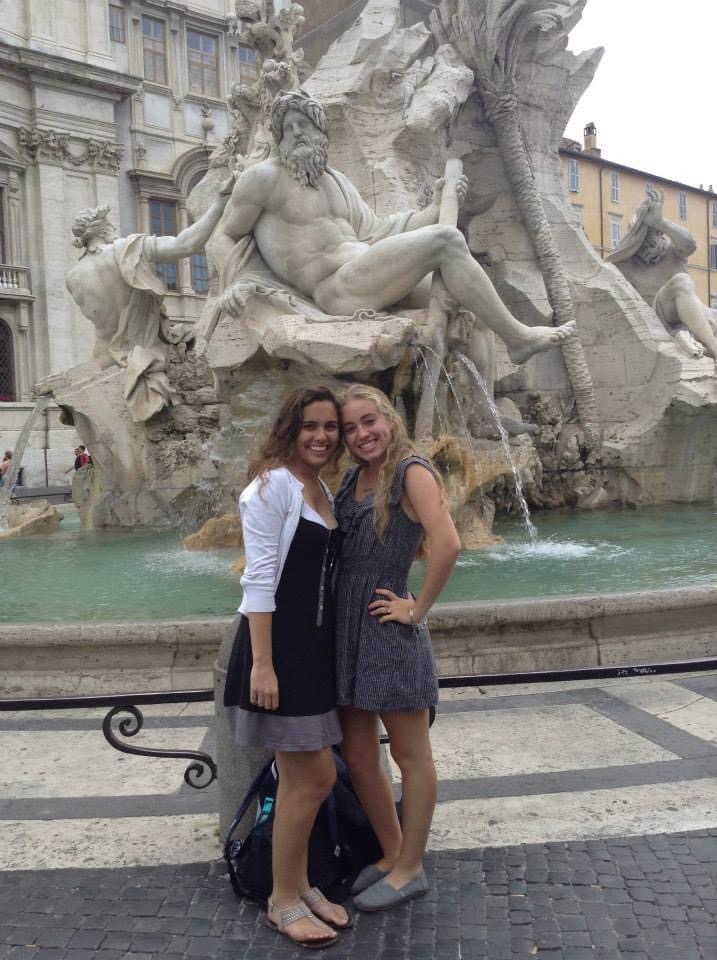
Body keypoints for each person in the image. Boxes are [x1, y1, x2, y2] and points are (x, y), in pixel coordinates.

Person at [210, 91, 576, 368]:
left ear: (320, 131)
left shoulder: (337, 182)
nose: (295, 134)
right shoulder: (263, 179)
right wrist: (235, 283)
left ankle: (485, 418)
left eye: (302, 125)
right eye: (287, 129)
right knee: (447, 239)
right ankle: (518, 337)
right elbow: (224, 234)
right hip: (335, 290)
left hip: (366, 273)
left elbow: (379, 232)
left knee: (474, 312)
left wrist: (435, 208)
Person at [223, 385, 351, 948]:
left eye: (330, 427)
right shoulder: (272, 486)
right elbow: (257, 576)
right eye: (310, 426)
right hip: (278, 650)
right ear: (290, 430)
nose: (321, 436)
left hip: (310, 649)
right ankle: (281, 900)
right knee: (314, 776)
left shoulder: (319, 486)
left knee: (304, 778)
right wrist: (263, 664)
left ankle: (300, 885)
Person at [333, 384, 461, 911]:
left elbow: (448, 543)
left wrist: (416, 609)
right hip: (347, 631)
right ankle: (391, 852)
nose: (362, 434)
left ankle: (411, 866)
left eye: (369, 421)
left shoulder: (411, 471)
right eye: (350, 427)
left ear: (388, 418)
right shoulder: (351, 478)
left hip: (388, 631)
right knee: (359, 752)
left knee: (411, 756)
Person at [66, 173, 236, 422]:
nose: (114, 228)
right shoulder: (128, 249)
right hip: (144, 358)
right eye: (109, 224)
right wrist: (220, 202)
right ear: (101, 228)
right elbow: (186, 244)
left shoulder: (73, 276)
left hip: (104, 365)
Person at [607, 188, 717, 360]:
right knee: (680, 282)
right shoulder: (625, 265)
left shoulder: (673, 251)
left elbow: (690, 245)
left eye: (650, 233)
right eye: (640, 236)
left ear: (660, 234)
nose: (646, 241)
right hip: (659, 317)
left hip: (696, 313)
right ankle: (714, 347)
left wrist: (660, 222)